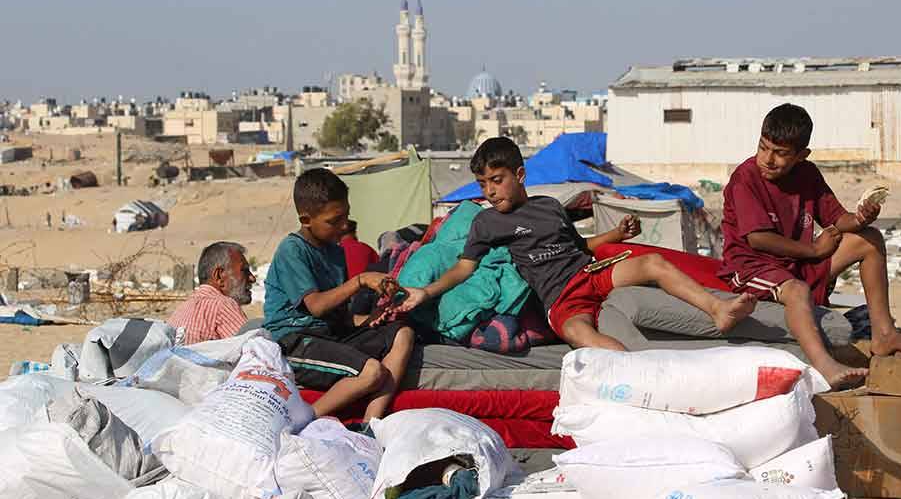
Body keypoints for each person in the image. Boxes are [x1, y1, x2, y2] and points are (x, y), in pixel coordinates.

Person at [388, 137, 756, 351]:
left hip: (589, 273)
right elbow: (463, 268)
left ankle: (717, 309)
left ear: (519, 175)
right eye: (483, 184)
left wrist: (615, 237)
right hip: (561, 298)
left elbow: (579, 245)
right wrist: (425, 291)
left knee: (654, 263)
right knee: (582, 336)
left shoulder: (549, 207)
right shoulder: (487, 222)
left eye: (496, 180)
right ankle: (641, 376)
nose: (489, 191)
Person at [718, 103, 901, 389]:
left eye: (781, 154)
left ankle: (884, 333)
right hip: (752, 266)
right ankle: (825, 364)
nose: (768, 160)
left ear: (801, 155)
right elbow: (757, 238)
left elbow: (837, 219)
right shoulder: (745, 178)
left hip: (795, 264)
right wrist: (814, 251)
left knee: (869, 239)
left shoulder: (807, 174)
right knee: (797, 290)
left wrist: (860, 217)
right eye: (763, 148)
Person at [263, 168, 414, 420]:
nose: (344, 226)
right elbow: (317, 307)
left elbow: (340, 319)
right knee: (372, 372)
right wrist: (361, 280)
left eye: (346, 216)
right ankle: (302, 421)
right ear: (306, 220)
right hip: (294, 341)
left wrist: (372, 318)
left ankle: (371, 423)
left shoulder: (334, 251)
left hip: (328, 335)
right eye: (334, 221)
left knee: (403, 333)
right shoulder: (292, 250)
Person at [167, 241, 255, 344]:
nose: (252, 278)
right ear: (219, 276)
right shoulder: (222, 305)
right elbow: (256, 351)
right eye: (244, 270)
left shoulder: (183, 308)